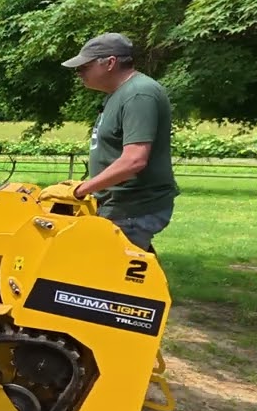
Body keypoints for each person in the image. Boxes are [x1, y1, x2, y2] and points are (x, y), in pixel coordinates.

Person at [39, 32, 179, 252]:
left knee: (103, 274)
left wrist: (81, 190)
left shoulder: (139, 94)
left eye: (84, 67)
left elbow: (134, 160)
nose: (78, 73)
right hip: (119, 205)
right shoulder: (118, 94)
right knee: (124, 271)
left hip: (133, 208)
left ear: (110, 63)